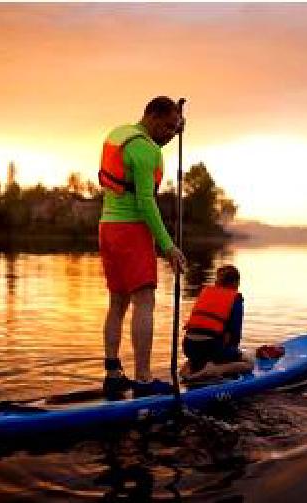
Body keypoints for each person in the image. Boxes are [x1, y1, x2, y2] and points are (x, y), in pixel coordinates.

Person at [98, 96, 187, 399]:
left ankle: (112, 373)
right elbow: (145, 202)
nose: (170, 135)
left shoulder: (119, 134)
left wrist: (177, 124)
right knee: (144, 302)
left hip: (107, 228)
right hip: (131, 230)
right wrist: (168, 246)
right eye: (167, 127)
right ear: (152, 116)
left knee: (117, 303)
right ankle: (144, 379)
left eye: (176, 131)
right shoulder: (146, 150)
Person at [180, 265, 253, 381]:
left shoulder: (205, 292)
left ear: (217, 281)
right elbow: (235, 335)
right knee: (249, 364)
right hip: (212, 347)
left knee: (197, 358)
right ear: (236, 283)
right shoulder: (235, 299)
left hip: (189, 346)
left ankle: (187, 372)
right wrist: (233, 355)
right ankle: (215, 370)